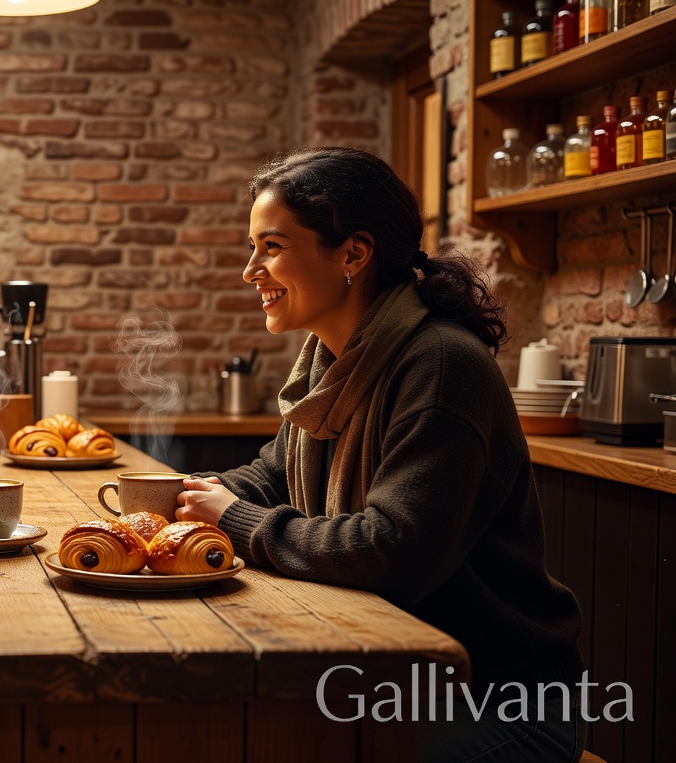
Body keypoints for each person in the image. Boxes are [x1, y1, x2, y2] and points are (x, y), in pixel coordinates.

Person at [177, 148, 585, 763]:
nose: (250, 269)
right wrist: (177, 497)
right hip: (387, 684)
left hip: (499, 703)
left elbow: (393, 548)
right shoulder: (335, 359)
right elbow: (271, 475)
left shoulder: (441, 364)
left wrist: (231, 518)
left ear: (353, 253)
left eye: (273, 246)